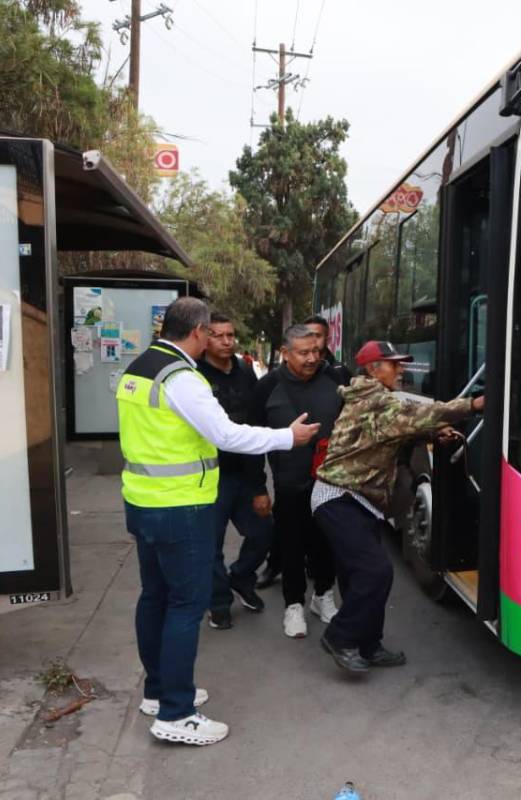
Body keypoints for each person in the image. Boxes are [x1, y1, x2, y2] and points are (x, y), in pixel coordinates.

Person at [118, 298, 318, 746]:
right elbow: (226, 434)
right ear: (198, 332)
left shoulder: (139, 367)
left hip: (143, 501)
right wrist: (289, 436)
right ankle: (176, 713)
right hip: (180, 507)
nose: (214, 339)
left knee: (154, 597)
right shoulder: (182, 378)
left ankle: (158, 691)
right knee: (185, 606)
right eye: (211, 332)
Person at [312, 340, 484, 674]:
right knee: (376, 572)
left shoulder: (375, 399)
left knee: (359, 576)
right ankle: (340, 637)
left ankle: (369, 645)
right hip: (339, 496)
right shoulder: (376, 400)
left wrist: (433, 433)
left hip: (360, 499)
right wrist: (474, 404)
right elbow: (421, 414)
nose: (402, 369)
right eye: (394, 364)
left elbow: (395, 433)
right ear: (373, 369)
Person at [251, 324, 346, 638]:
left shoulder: (335, 380)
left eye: (316, 351)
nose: (311, 358)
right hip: (289, 485)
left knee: (326, 544)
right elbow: (249, 441)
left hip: (330, 483)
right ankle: (293, 606)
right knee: (291, 546)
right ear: (285, 353)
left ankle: (323, 596)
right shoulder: (267, 387)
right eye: (303, 352)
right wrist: (258, 488)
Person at [196, 313, 274, 629]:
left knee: (265, 532)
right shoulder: (193, 375)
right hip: (209, 476)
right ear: (204, 337)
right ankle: (218, 602)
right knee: (210, 545)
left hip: (245, 473)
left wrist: (259, 485)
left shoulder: (244, 371)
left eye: (231, 335)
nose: (227, 341)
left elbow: (255, 424)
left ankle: (241, 579)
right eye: (218, 335)